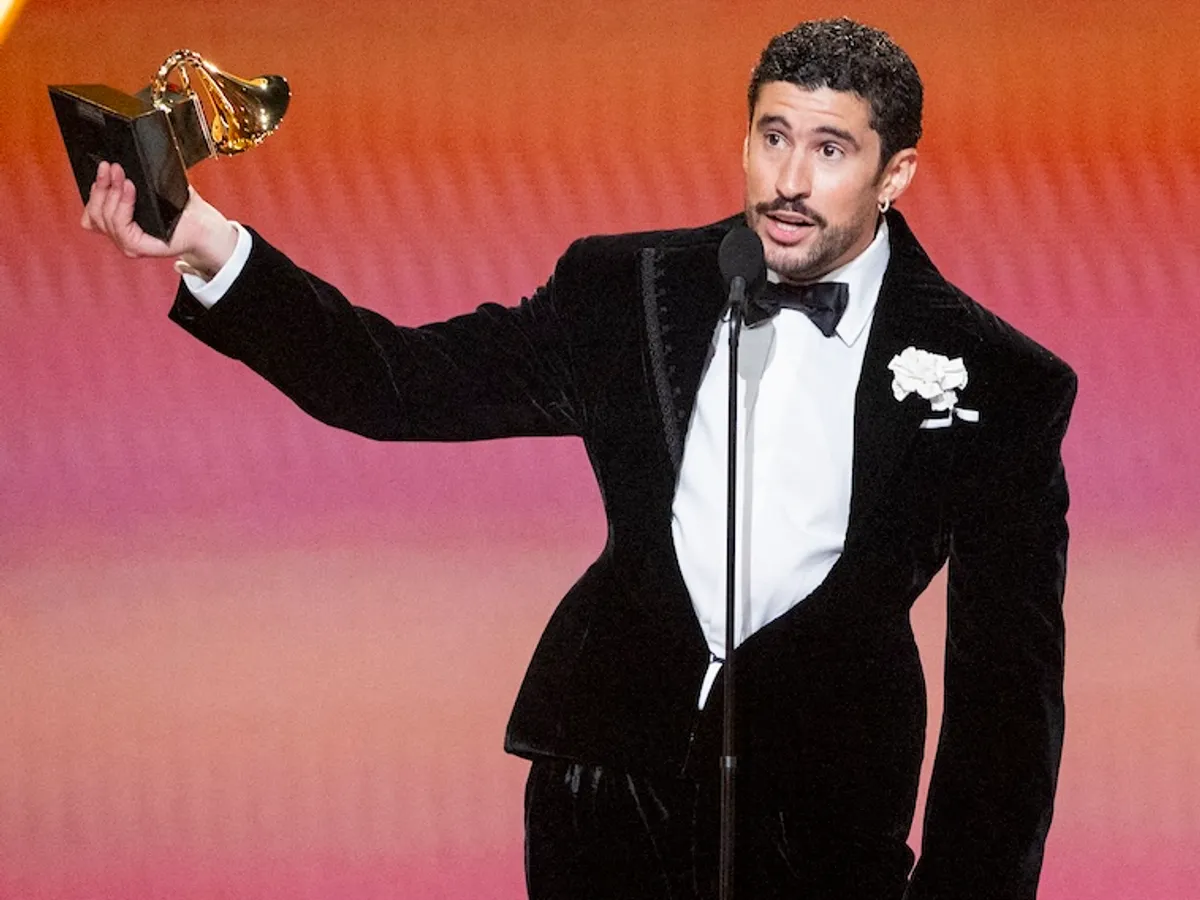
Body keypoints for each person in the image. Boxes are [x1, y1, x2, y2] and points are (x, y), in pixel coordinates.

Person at [81, 17, 1076, 900]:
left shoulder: (1001, 380)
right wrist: (210, 246)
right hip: (604, 798)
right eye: (773, 137)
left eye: (830, 149)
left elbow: (1006, 703)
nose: (789, 181)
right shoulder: (628, 290)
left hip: (821, 826)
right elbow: (396, 383)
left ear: (896, 173)